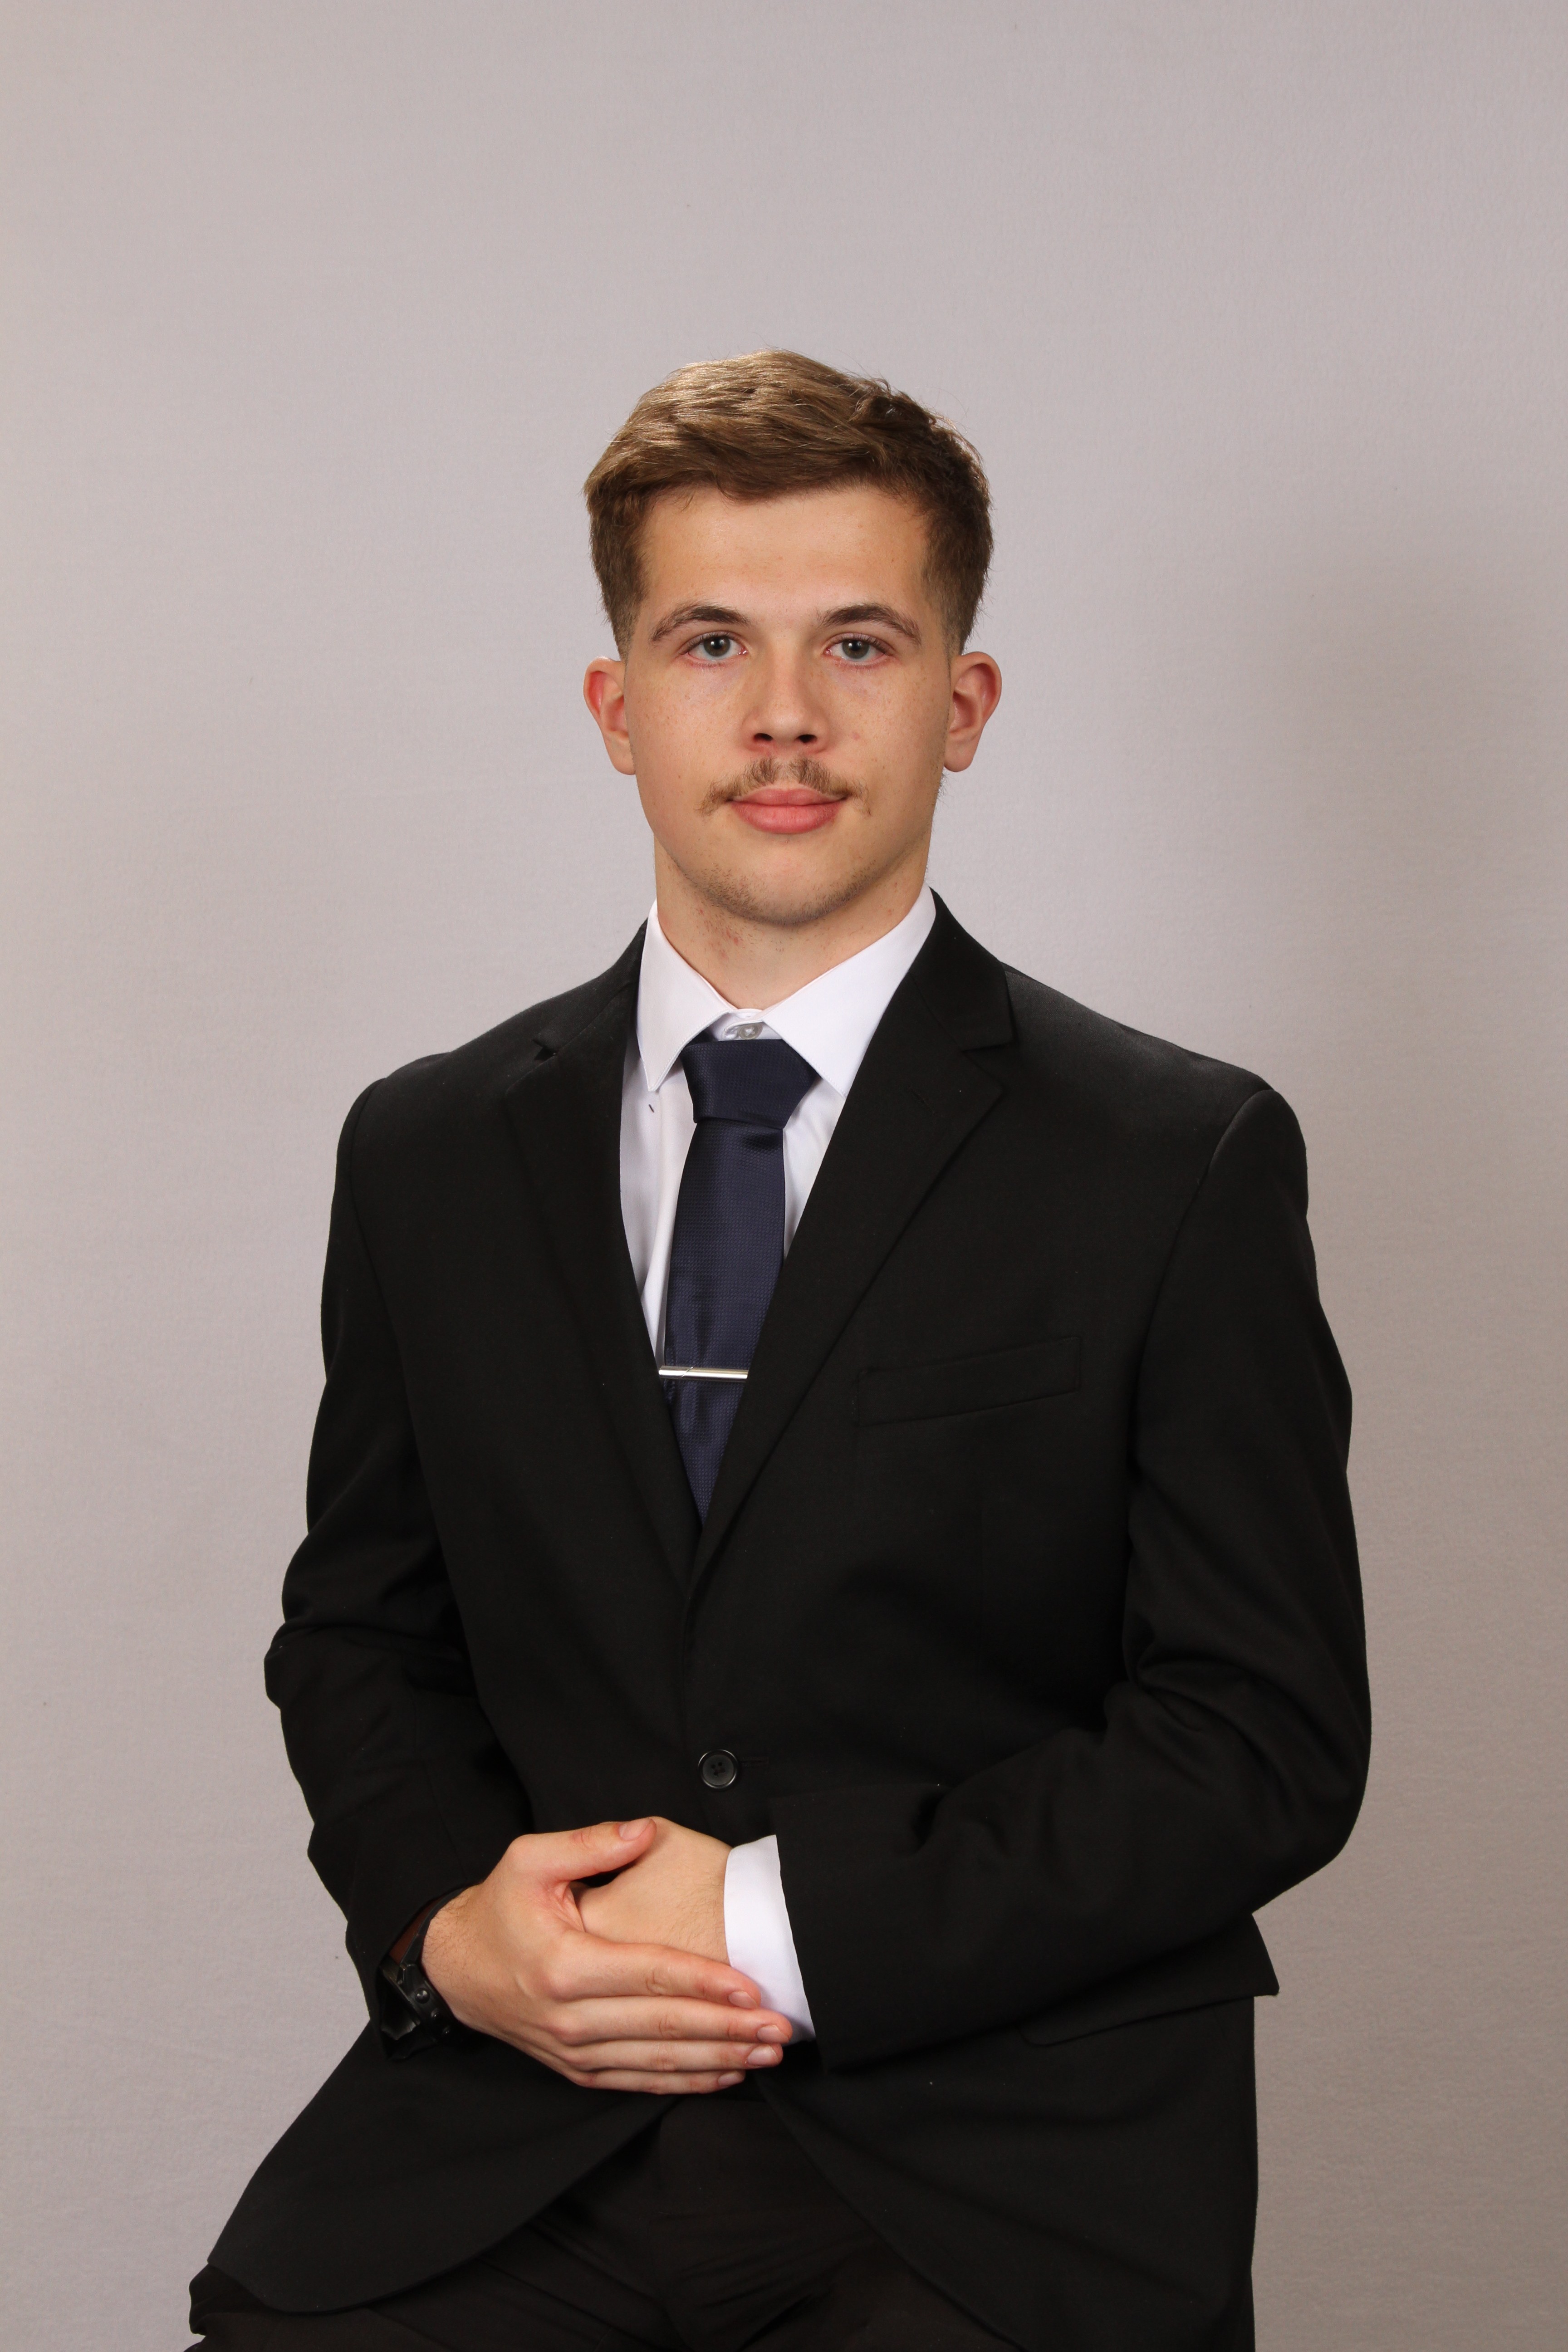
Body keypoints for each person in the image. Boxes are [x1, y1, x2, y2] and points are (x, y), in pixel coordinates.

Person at [191, 351, 1370, 2351]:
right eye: (712, 641)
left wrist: (766, 1919)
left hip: (1002, 2151)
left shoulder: (1176, 1158)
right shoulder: (427, 1149)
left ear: (962, 704)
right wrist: (451, 1931)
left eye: (861, 644)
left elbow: (1260, 1735)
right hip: (530, 2122)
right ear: (617, 707)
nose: (785, 717)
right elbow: (363, 1635)